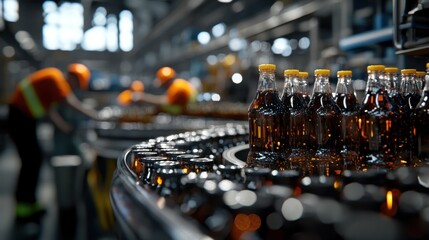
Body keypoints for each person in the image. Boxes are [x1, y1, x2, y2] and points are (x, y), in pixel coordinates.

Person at [6, 63, 100, 224]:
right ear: (74, 78)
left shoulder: (52, 83)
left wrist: (63, 126)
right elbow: (71, 102)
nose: (74, 88)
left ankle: (30, 203)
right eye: (77, 84)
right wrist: (95, 115)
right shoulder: (55, 78)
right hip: (19, 118)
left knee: (33, 161)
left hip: (24, 119)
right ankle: (23, 211)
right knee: (31, 162)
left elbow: (49, 111)